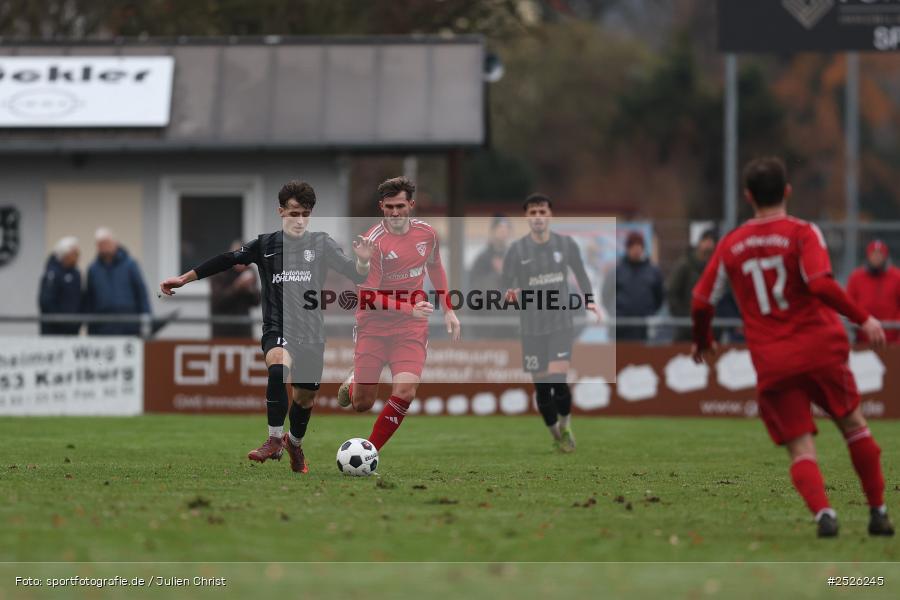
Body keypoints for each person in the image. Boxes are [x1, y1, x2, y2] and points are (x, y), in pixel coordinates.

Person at [691, 156, 893, 538]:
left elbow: (701, 300)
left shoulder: (731, 244)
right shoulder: (803, 233)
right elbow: (819, 283)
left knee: (801, 448)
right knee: (853, 426)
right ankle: (877, 511)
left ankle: (824, 515)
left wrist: (704, 340)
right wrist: (862, 317)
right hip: (820, 348)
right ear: (787, 191)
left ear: (749, 196)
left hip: (774, 360)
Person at [160, 181, 374, 474]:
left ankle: (294, 444)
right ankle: (274, 439)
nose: (299, 220)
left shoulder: (321, 243)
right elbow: (226, 260)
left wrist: (362, 262)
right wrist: (183, 279)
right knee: (277, 367)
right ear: (281, 211)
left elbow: (356, 275)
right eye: (293, 213)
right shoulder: (265, 245)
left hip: (311, 332)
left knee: (304, 399)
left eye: (305, 214)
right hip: (278, 326)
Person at [337, 176, 461, 451]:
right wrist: (409, 308)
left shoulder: (427, 234)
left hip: (410, 327)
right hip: (374, 325)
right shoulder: (373, 243)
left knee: (405, 391)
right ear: (381, 206)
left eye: (400, 206)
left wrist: (449, 310)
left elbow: (436, 267)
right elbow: (368, 296)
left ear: (411, 205)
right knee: (362, 404)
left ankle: (370, 451)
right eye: (389, 206)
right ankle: (356, 381)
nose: (395, 213)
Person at [501, 193, 600, 452]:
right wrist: (511, 295)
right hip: (531, 328)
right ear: (527, 217)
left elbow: (581, 274)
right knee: (543, 389)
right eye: (532, 213)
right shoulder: (517, 250)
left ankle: (566, 426)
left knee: (558, 380)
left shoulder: (566, 245)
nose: (538, 218)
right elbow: (504, 288)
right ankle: (555, 435)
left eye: (542, 212)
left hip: (560, 323)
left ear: (550, 215)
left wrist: (590, 301)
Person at [84, 228, 151, 336]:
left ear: (115, 243)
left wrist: (146, 321)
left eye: (106, 243)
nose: (104, 247)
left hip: (129, 325)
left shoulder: (130, 265)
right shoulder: (93, 269)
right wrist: (90, 327)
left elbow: (141, 293)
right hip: (102, 327)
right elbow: (90, 299)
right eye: (100, 244)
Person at [601, 231, 664, 342]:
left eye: (639, 246)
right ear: (627, 248)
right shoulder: (616, 272)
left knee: (643, 358)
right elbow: (606, 295)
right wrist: (615, 314)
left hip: (644, 329)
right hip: (620, 329)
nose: (636, 249)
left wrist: (649, 313)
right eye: (633, 246)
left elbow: (659, 297)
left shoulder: (653, 272)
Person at [667, 229, 717, 341]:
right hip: (686, 326)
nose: (708, 244)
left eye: (711, 241)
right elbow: (672, 293)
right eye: (705, 240)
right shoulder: (685, 265)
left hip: (710, 326)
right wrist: (682, 317)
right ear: (699, 243)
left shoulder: (716, 267)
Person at [847, 240, 900, 344]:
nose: (876, 257)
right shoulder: (856, 277)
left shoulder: (897, 277)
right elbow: (849, 304)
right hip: (862, 339)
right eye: (873, 254)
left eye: (880, 254)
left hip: (891, 340)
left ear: (885, 257)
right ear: (868, 256)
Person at [468, 214, 512, 339]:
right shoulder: (483, 259)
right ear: (493, 231)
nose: (503, 233)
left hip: (510, 322)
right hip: (487, 322)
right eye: (500, 229)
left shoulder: (513, 257)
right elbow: (475, 288)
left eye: (506, 229)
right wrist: (495, 275)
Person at [209, 240, 261, 338]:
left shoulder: (249, 270)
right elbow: (218, 301)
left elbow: (257, 301)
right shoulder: (219, 270)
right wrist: (237, 286)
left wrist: (250, 289)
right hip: (222, 329)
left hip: (244, 329)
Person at [38, 236, 82, 335]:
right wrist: (62, 321)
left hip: (72, 330)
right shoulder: (52, 273)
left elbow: (80, 299)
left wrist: (77, 322)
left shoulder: (76, 274)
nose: (78, 257)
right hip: (53, 331)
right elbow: (46, 302)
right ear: (65, 254)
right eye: (75, 254)